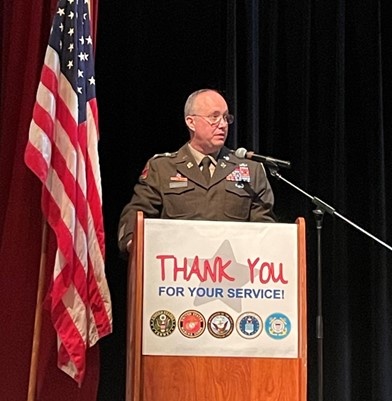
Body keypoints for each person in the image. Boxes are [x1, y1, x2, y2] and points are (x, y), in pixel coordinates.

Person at [118, 88, 276, 253]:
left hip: (233, 270)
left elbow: (264, 229)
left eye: (225, 118)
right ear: (191, 122)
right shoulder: (163, 168)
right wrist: (132, 242)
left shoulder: (251, 170)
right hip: (178, 269)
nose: (222, 125)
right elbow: (136, 213)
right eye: (214, 117)